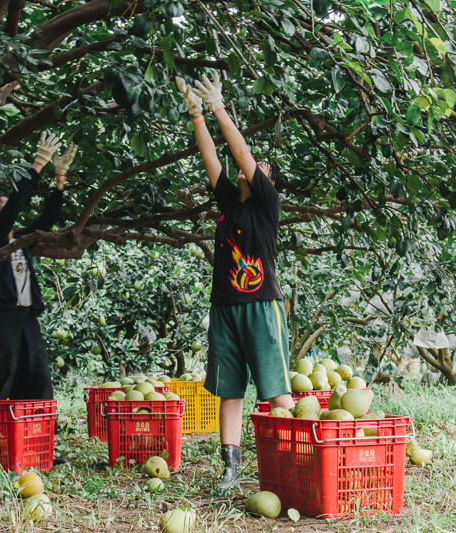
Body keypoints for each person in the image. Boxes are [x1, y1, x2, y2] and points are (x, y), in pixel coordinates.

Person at [176, 72, 294, 490]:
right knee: (230, 391)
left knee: (276, 392)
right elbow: (213, 157)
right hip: (224, 307)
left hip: (262, 305)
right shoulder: (229, 202)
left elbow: (239, 151)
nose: (252, 165)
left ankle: (298, 456)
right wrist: (197, 116)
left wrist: (219, 106)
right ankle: (231, 466)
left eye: (262, 167)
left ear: (269, 182)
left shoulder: (266, 203)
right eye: (254, 165)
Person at [0, 131, 75, 405]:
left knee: (37, 373)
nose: (11, 210)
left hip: (26, 314)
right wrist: (37, 163)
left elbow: (48, 219)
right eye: (4, 207)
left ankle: (37, 423)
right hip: (3, 313)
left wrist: (60, 179)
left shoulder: (20, 241)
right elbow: (15, 206)